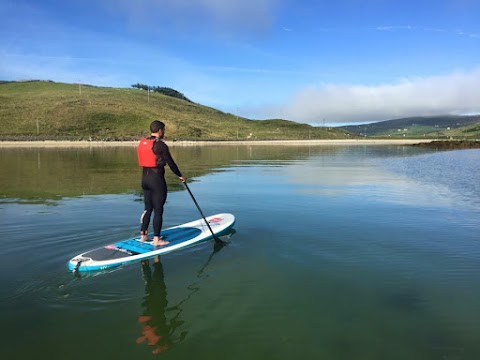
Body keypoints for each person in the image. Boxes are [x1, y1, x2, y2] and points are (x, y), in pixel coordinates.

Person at [137, 120, 186, 246]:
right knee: (158, 209)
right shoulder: (160, 145)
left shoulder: (143, 143)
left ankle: (143, 236)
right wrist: (180, 176)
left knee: (148, 208)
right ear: (160, 131)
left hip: (145, 180)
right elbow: (171, 163)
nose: (164, 132)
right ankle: (157, 239)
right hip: (156, 181)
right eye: (163, 130)